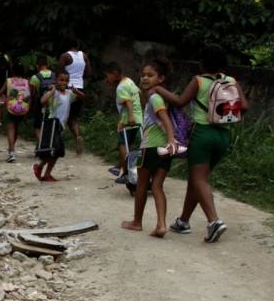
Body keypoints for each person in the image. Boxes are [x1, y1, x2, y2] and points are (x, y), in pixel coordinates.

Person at [151, 44, 248, 243]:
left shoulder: (198, 81)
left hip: (202, 134)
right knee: (198, 179)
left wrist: (159, 89)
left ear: (202, 62)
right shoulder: (231, 81)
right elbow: (244, 107)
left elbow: (179, 102)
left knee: (198, 179)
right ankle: (183, 221)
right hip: (224, 135)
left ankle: (214, 222)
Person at [122, 58, 180, 237]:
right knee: (157, 186)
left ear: (160, 78)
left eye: (150, 75)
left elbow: (165, 119)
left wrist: (171, 139)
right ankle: (161, 225)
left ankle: (137, 222)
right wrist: (170, 143)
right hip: (164, 150)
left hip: (150, 148)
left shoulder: (155, 98)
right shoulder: (158, 96)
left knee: (141, 185)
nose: (145, 78)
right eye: (143, 75)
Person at [34, 70, 84, 182]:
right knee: (56, 150)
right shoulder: (54, 92)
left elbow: (82, 96)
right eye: (61, 80)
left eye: (66, 81)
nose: (64, 82)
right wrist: (52, 90)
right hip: (53, 124)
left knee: (57, 152)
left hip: (61, 125)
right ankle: (41, 168)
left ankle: (44, 171)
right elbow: (43, 101)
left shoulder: (69, 94)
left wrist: (76, 91)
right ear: (56, 80)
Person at [104, 61, 142, 185]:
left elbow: (128, 102)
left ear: (114, 73)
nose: (107, 79)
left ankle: (125, 173)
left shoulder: (121, 87)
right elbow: (139, 94)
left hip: (130, 120)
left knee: (123, 145)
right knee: (128, 144)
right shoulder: (129, 81)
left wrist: (129, 117)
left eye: (107, 75)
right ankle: (119, 167)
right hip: (138, 118)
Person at [59, 37, 92, 154]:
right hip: (79, 89)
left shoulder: (65, 56)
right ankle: (78, 136)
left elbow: (60, 73)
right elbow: (88, 72)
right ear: (77, 45)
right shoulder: (84, 56)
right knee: (73, 118)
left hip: (67, 89)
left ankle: (58, 144)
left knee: (62, 116)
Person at [0, 62, 34, 163]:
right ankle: (11, 149)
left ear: (13, 71)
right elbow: (29, 96)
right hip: (23, 109)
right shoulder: (27, 82)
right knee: (16, 129)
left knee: (10, 129)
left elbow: (1, 92)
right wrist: (28, 108)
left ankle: (12, 152)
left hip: (11, 108)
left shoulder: (8, 81)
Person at [29, 58, 55, 146]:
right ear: (47, 64)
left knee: (37, 126)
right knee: (50, 124)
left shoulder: (35, 77)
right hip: (53, 104)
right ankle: (50, 143)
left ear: (37, 65)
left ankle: (41, 144)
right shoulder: (54, 75)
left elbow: (32, 93)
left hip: (40, 103)